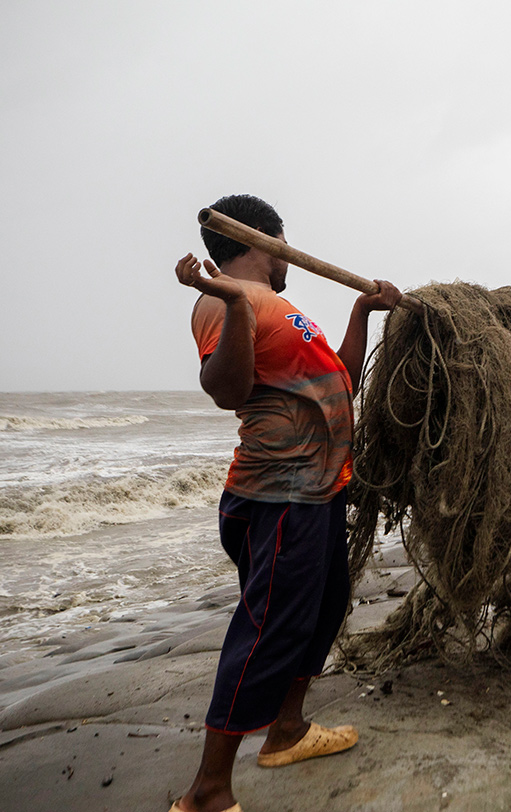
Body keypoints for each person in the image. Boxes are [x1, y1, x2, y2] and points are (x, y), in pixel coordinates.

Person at [172, 194, 401, 812]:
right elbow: (226, 390)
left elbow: (340, 379)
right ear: (263, 243)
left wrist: (361, 310)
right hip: (278, 495)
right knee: (268, 629)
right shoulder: (220, 301)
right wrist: (233, 304)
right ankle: (206, 793)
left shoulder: (284, 308)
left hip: (319, 489)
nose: (289, 258)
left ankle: (288, 730)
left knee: (322, 610)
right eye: (283, 244)